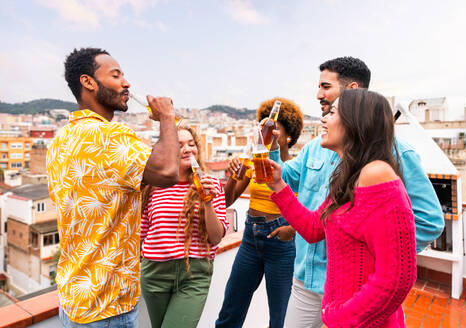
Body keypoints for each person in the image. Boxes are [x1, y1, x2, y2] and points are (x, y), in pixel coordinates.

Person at [269, 57, 444, 328]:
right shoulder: (346, 175)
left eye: (332, 112)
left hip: (356, 309)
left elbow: (397, 275)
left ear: (354, 117)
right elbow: (316, 227)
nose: (323, 118)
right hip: (321, 289)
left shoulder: (378, 173)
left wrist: (378, 252)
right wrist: (278, 185)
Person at [47, 47, 180, 327]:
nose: (126, 83)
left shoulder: (62, 139)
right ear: (88, 82)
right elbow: (168, 172)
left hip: (73, 299)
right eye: (116, 75)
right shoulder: (112, 137)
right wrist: (167, 118)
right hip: (107, 305)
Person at [215, 98, 304, 328]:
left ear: (288, 137)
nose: (265, 133)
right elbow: (227, 200)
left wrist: (292, 229)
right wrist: (235, 173)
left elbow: (310, 209)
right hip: (250, 240)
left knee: (279, 319)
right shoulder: (255, 161)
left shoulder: (296, 169)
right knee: (230, 311)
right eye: (263, 128)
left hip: (281, 243)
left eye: (273, 129)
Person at [140, 125, 228, 328]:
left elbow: (215, 238)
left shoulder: (212, 184)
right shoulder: (153, 186)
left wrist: (207, 202)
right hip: (154, 273)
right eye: (179, 145)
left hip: (194, 274)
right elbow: (142, 234)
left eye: (192, 144)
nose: (188, 149)